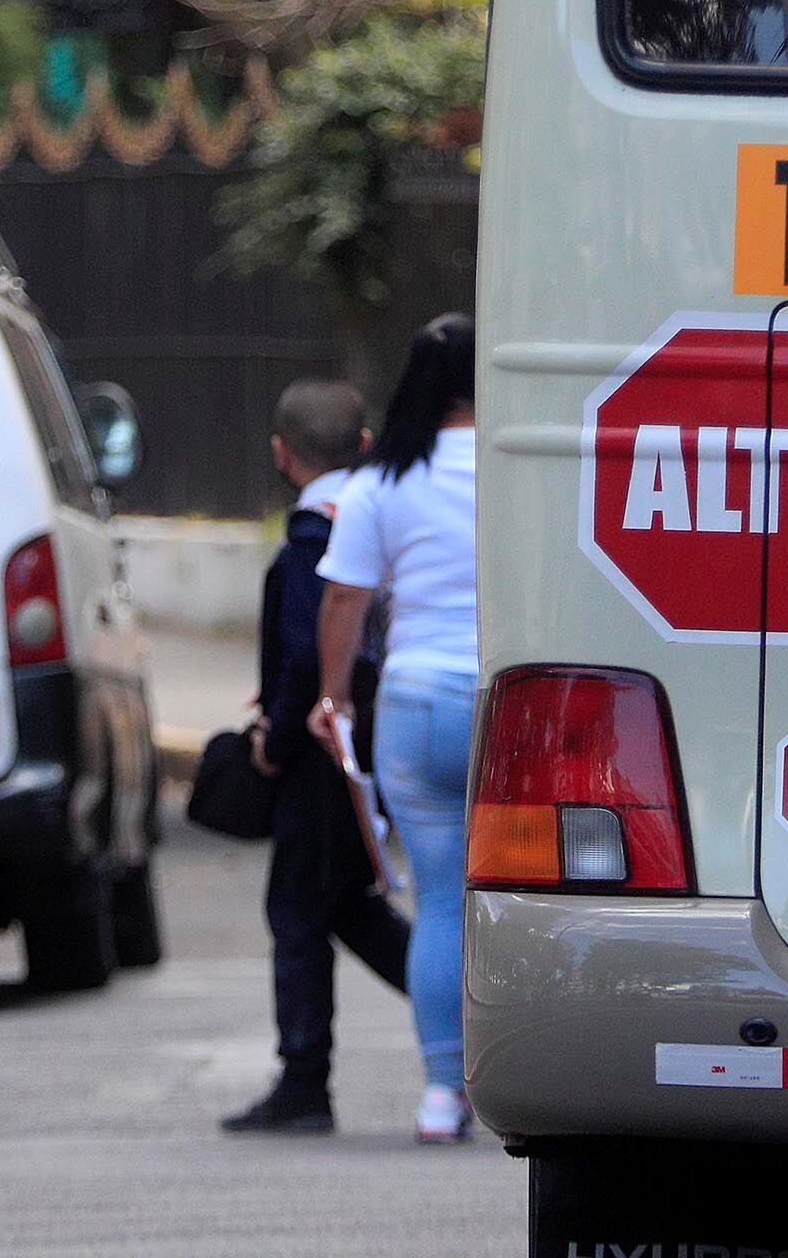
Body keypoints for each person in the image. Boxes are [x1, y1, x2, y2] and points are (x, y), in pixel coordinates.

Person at [310, 313, 479, 1144]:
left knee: (443, 901)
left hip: (417, 705)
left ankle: (443, 1094)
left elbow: (345, 598)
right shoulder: (529, 468)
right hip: (524, 709)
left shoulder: (381, 483)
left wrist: (334, 698)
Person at [225, 379, 410, 1136]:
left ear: (280, 453)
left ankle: (304, 1082)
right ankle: (461, 1017)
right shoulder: (383, 511)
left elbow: (309, 648)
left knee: (299, 906)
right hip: (385, 729)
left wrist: (275, 731)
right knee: (345, 902)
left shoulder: (315, 531)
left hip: (323, 747)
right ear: (364, 447)